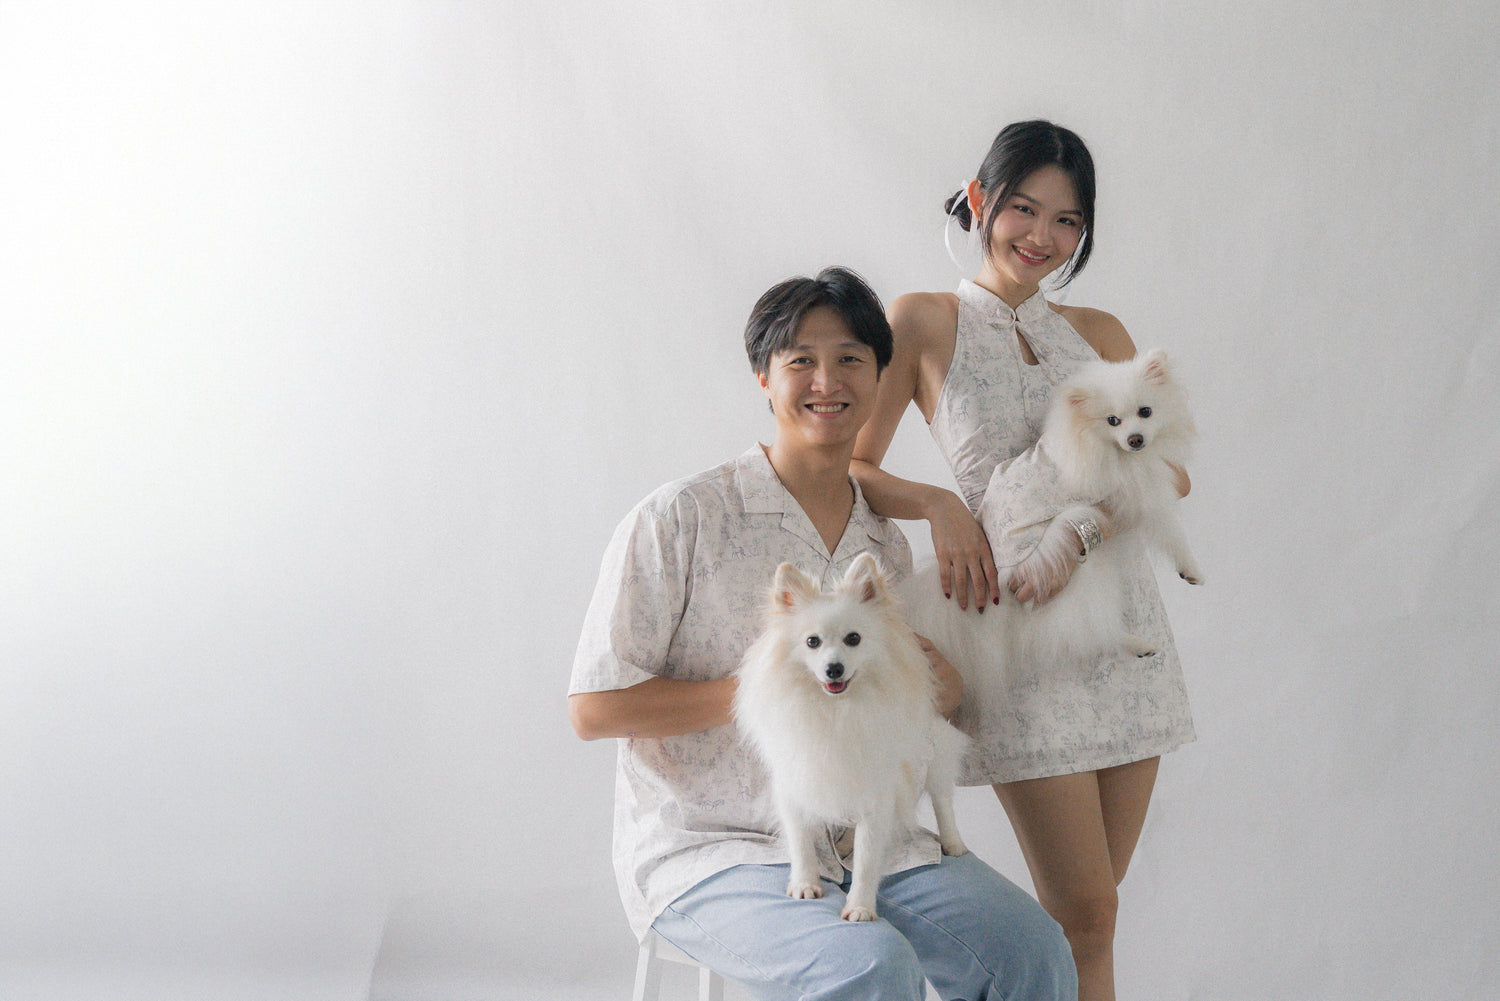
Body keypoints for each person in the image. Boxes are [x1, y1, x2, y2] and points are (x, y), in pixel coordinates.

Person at [569, 267, 1077, 1001]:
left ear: (878, 377)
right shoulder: (680, 518)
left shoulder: (883, 547)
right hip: (717, 848)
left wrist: (935, 686)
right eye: (801, 360)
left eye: (849, 359)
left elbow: (903, 710)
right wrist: (762, 690)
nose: (826, 381)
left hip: (874, 839)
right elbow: (593, 710)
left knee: (1032, 948)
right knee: (869, 963)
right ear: (763, 376)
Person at [850, 121, 1196, 1001]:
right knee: (1080, 910)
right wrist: (940, 504)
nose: (1042, 236)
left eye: (1068, 221)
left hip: (1126, 632)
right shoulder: (924, 319)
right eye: (1023, 209)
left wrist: (1097, 517)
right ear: (979, 200)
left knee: (1096, 914)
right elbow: (856, 465)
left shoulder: (1098, 328)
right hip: (1020, 629)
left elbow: (1169, 468)